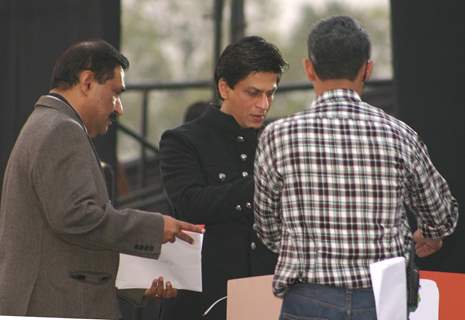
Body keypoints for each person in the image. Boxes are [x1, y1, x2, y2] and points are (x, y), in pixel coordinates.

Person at [253, 16, 459, 320]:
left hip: (308, 299)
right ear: (367, 69)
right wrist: (427, 233)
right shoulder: (399, 134)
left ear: (309, 68)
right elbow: (442, 218)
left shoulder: (277, 136)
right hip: (382, 300)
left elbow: (268, 230)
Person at [0, 40, 203, 319]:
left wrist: (134, 285)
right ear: (86, 81)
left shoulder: (47, 124)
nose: (119, 108)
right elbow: (78, 218)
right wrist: (156, 227)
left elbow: (63, 244)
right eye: (116, 93)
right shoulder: (62, 130)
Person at [159, 36, 288, 320]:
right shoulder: (183, 141)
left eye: (271, 93)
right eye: (253, 93)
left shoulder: (277, 140)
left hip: (267, 294)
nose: (263, 104)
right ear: (224, 88)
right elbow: (190, 205)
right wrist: (263, 185)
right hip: (206, 298)